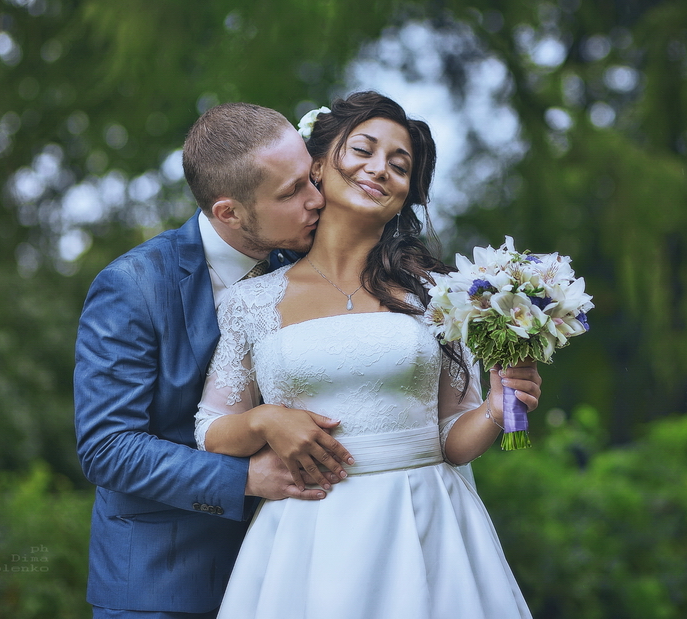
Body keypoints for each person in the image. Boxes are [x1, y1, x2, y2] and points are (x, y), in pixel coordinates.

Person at [195, 91, 540, 618]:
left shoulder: (440, 296)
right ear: (316, 165)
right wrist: (265, 420)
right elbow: (210, 429)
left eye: (400, 166)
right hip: (306, 536)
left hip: (425, 525)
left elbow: (451, 440)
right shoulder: (251, 299)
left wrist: (496, 408)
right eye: (363, 150)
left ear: (406, 194)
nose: (381, 170)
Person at [74, 102, 356, 619]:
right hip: (164, 584)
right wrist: (246, 478)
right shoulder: (132, 287)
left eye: (310, 179)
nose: (317, 200)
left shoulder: (311, 264)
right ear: (228, 212)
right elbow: (107, 448)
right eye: (291, 192)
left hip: (296, 570)